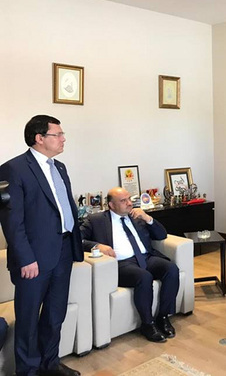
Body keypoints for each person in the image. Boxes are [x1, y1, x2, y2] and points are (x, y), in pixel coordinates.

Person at [0, 115, 82, 376]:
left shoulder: (60, 168)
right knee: (27, 320)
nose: (63, 139)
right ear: (39, 138)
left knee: (55, 315)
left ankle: (50, 365)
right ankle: (28, 371)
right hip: (33, 258)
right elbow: (12, 221)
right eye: (58, 134)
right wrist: (25, 258)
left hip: (63, 251)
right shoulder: (13, 169)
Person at [80, 187, 179, 343]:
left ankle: (163, 317)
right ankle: (148, 324)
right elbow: (78, 240)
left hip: (146, 257)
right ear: (111, 205)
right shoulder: (96, 220)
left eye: (129, 199)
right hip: (122, 264)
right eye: (123, 201)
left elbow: (162, 235)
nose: (129, 203)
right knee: (144, 277)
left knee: (171, 269)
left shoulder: (137, 216)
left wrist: (148, 218)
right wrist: (97, 246)